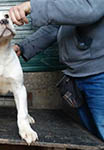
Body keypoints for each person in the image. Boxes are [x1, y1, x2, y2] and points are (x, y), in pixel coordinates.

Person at [9, 0, 104, 141]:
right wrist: (23, 47)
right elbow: (56, 28)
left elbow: (90, 10)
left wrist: (32, 6)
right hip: (77, 74)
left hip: (99, 74)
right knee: (93, 137)